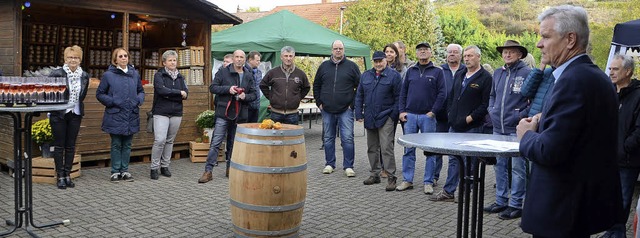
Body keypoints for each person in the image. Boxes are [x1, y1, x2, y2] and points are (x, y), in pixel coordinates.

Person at [517, 5, 623, 237]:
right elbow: (583, 133)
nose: (538, 43)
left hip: (560, 212)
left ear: (570, 39)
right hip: (580, 211)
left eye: (545, 36)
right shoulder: (597, 78)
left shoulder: (572, 81)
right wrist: (547, 120)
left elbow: (549, 151)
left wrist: (526, 134)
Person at [430, 45, 492, 202]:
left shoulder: (485, 78)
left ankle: (465, 191)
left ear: (478, 57)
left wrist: (469, 118)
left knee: (469, 161)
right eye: (465, 56)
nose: (467, 59)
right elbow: (451, 96)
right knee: (453, 159)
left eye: (471, 56)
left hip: (472, 127)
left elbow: (485, 105)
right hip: (454, 126)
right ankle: (448, 191)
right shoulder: (460, 74)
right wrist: (451, 114)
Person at [485, 40, 531, 220]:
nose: (507, 55)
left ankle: (516, 204)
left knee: (518, 168)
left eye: (511, 52)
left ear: (520, 54)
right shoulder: (498, 72)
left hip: (516, 129)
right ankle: (501, 200)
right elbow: (492, 96)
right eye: (505, 52)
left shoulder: (527, 73)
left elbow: (533, 101)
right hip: (498, 128)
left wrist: (520, 115)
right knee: (500, 166)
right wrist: (492, 110)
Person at [199, 50, 257, 183]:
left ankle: (230, 169)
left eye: (241, 57)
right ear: (234, 58)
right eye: (237, 57)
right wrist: (228, 89)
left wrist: (245, 96)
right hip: (223, 114)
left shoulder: (248, 75)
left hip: (240, 115)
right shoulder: (223, 72)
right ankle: (208, 171)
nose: (239, 59)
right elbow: (212, 87)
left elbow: (254, 94)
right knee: (215, 143)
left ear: (244, 60)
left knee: (233, 144)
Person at [396, 42, 446, 194]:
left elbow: (442, 93)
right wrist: (402, 111)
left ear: (430, 52)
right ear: (416, 53)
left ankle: (428, 182)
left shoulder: (438, 71)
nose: (423, 52)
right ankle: (407, 180)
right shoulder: (411, 70)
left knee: (429, 151)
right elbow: (403, 92)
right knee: (408, 150)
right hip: (410, 116)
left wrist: (433, 111)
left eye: (425, 50)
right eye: (420, 50)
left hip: (428, 117)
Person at [602, 54, 639, 238]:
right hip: (607, 159)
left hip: (627, 160)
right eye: (610, 69)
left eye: (615, 69)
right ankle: (612, 231)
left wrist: (624, 148)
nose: (611, 72)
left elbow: (639, 131)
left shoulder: (638, 95)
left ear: (628, 71)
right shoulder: (609, 92)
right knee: (609, 199)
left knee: (623, 201)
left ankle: (617, 234)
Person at [355, 51, 401, 191]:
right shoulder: (366, 75)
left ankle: (391, 176)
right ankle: (375, 174)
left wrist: (393, 115)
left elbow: (399, 97)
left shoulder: (394, 76)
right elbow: (359, 95)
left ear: (386, 60)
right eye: (376, 61)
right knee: (372, 147)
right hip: (370, 116)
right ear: (372, 62)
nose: (378, 64)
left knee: (386, 147)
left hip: (386, 116)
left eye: (381, 61)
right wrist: (358, 113)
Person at [96, 47, 145, 183]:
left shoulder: (134, 74)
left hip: (131, 114)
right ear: (115, 60)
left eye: (125, 56)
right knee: (116, 143)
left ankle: (125, 171)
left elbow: (140, 90)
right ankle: (115, 171)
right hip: (115, 114)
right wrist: (113, 102)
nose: (124, 58)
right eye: (120, 56)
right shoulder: (108, 75)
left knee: (128, 144)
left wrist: (138, 100)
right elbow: (100, 94)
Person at [314, 40, 361, 177]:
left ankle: (348, 166)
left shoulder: (352, 67)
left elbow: (360, 87)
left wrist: (352, 104)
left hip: (345, 110)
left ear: (344, 50)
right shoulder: (323, 67)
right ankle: (329, 164)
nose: (338, 51)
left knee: (347, 138)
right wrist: (319, 103)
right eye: (335, 48)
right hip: (327, 109)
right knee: (328, 138)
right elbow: (316, 85)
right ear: (331, 50)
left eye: (340, 48)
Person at [49, 45, 89, 189]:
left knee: (71, 146)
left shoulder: (84, 75)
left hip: (75, 113)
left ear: (80, 60)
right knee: (59, 146)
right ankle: (60, 176)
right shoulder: (57, 73)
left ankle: (67, 174)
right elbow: (50, 94)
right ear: (65, 59)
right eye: (70, 57)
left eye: (76, 57)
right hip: (59, 114)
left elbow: (82, 96)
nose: (73, 60)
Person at [149, 50, 188, 180]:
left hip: (176, 112)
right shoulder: (159, 75)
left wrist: (175, 93)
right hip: (161, 112)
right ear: (164, 62)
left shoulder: (181, 77)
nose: (172, 62)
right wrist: (178, 93)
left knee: (170, 140)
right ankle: (154, 167)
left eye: (174, 60)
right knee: (160, 140)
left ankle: (165, 166)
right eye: (170, 60)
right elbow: (161, 90)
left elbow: (186, 93)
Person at [435, 43, 466, 186]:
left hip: (459, 118)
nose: (452, 54)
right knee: (438, 148)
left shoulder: (466, 70)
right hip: (441, 116)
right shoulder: (439, 70)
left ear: (460, 55)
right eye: (449, 52)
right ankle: (434, 176)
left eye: (455, 52)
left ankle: (457, 179)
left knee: (456, 151)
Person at [260, 46, 310, 125]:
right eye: (286, 56)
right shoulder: (273, 72)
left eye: (290, 56)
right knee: (276, 137)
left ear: (294, 57)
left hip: (293, 114)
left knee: (291, 137)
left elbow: (306, 87)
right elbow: (263, 85)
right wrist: (272, 97)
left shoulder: (300, 74)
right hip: (276, 113)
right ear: (281, 57)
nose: (288, 58)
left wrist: (297, 98)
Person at [246, 51, 262, 123]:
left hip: (256, 104)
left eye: (259, 60)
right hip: (246, 105)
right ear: (250, 60)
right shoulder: (243, 70)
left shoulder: (259, 72)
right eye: (257, 60)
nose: (259, 62)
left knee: (253, 126)